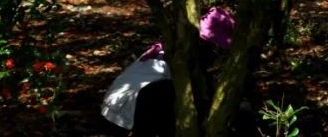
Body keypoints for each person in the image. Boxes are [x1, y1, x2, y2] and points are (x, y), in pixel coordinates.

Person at [101, 7, 236, 136]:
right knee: (168, 92)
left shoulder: (174, 48)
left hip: (118, 109)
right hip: (123, 112)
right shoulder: (181, 57)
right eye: (214, 48)